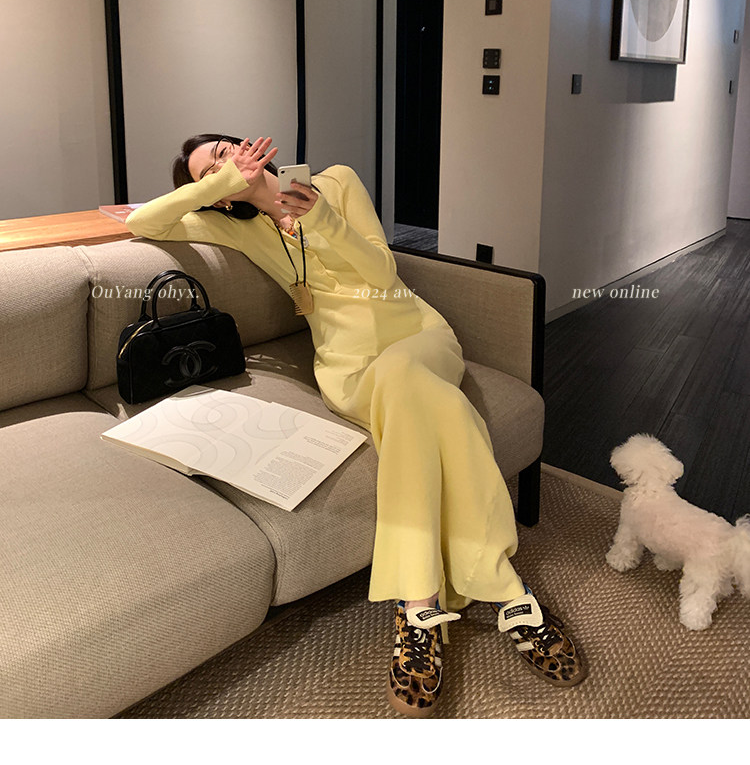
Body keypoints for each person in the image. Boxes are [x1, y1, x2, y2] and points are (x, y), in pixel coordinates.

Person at [126, 133, 586, 716]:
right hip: (349, 371)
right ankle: (507, 592)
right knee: (436, 409)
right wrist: (220, 186)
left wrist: (319, 218)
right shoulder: (234, 227)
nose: (228, 158)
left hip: (419, 338)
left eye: (225, 147)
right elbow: (143, 223)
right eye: (210, 168)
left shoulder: (336, 182)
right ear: (215, 195)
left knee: (407, 378)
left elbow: (382, 270)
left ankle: (418, 606)